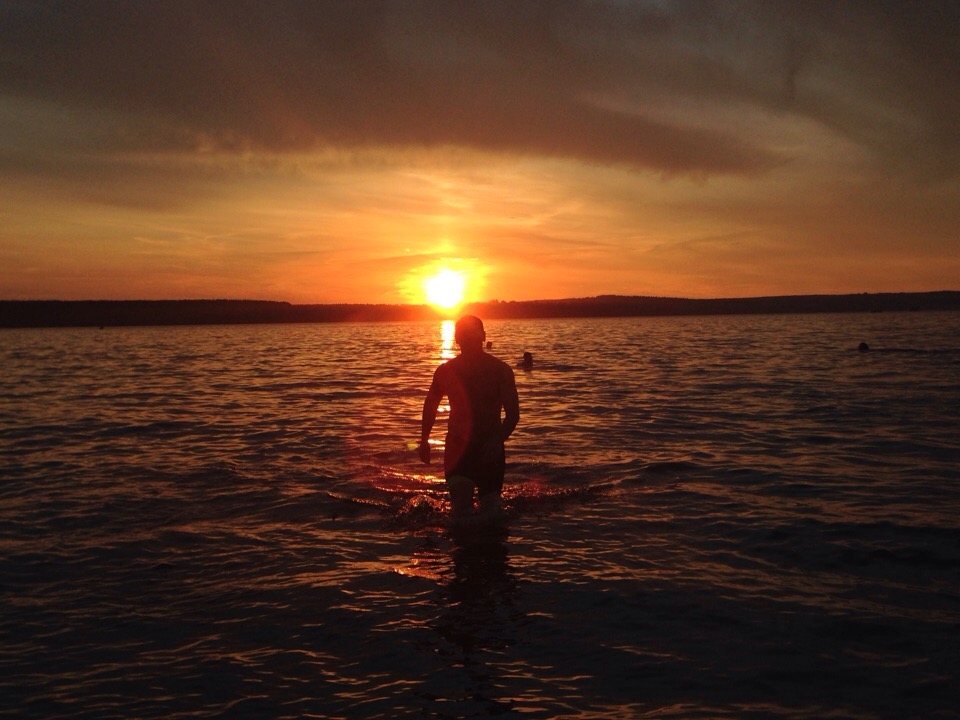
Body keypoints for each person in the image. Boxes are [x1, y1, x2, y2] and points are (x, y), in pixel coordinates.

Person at [419, 315, 520, 519]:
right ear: (457, 339)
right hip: (458, 449)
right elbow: (430, 405)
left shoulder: (500, 371)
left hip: (489, 448)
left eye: (472, 335)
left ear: (483, 337)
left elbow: (513, 415)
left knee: (490, 511)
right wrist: (424, 440)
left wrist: (496, 440)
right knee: (461, 510)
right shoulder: (446, 371)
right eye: (464, 335)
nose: (468, 339)